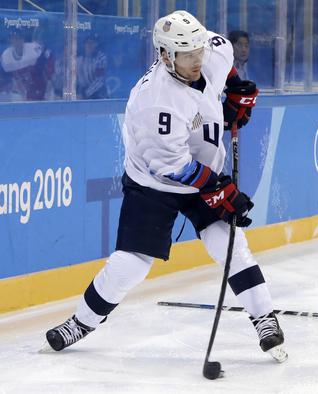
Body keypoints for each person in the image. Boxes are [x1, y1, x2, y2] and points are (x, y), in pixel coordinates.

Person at [45, 10, 287, 362]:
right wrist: (219, 189)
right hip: (153, 182)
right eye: (187, 55)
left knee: (228, 243)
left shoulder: (210, 51)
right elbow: (172, 168)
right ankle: (82, 321)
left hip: (202, 167)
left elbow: (224, 64)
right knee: (131, 263)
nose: (197, 60)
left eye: (199, 51)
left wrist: (235, 89)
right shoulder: (155, 102)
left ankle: (264, 317)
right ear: (165, 55)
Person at [0, 30, 54, 101]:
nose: (16, 41)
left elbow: (44, 74)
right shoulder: (6, 58)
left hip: (38, 93)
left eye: (18, 38)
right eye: (13, 38)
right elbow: (6, 79)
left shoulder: (37, 55)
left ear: (23, 40)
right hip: (17, 94)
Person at [76, 33, 108, 99]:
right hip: (81, 93)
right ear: (84, 44)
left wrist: (85, 94)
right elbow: (75, 77)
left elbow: (100, 80)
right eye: (87, 42)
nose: (89, 45)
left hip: (98, 95)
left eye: (92, 42)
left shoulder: (101, 58)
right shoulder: (78, 58)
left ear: (96, 44)